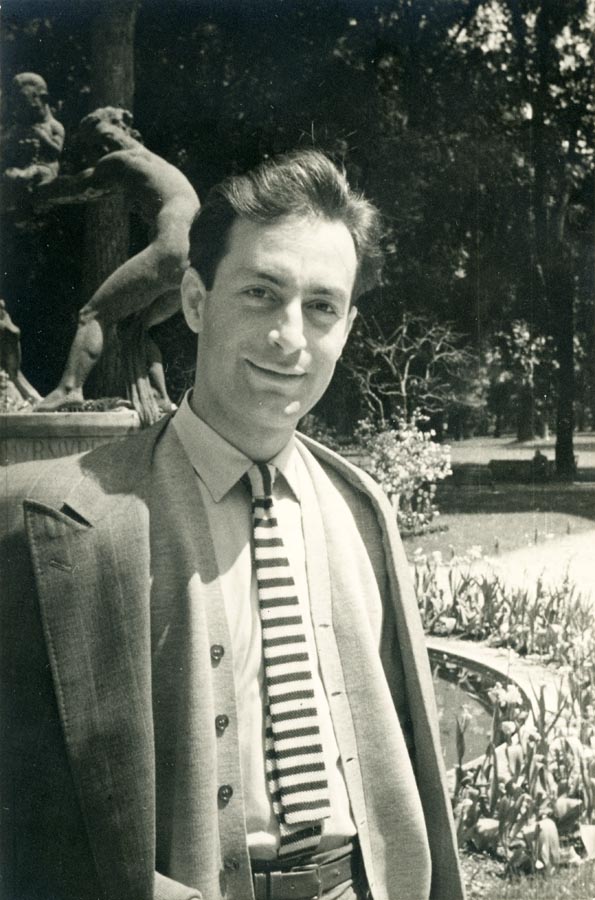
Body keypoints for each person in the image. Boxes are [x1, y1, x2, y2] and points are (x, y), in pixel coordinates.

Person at [0, 150, 464, 900]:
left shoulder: (359, 505)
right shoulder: (54, 519)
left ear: (346, 326)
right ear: (193, 300)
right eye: (260, 293)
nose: (290, 337)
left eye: (321, 306)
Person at [35, 106, 200, 419]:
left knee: (92, 314)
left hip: (171, 249)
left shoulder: (123, 160)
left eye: (104, 138)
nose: (102, 149)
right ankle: (159, 399)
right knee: (136, 327)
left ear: (122, 131)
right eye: (95, 145)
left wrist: (39, 191)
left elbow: (82, 187)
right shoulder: (157, 166)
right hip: (192, 264)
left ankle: (69, 389)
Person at [2, 72, 65, 188]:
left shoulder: (54, 126)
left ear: (43, 99)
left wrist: (42, 136)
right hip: (22, 169)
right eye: (21, 109)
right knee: (9, 174)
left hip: (46, 168)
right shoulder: (20, 127)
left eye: (32, 109)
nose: (26, 114)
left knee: (33, 171)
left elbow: (56, 152)